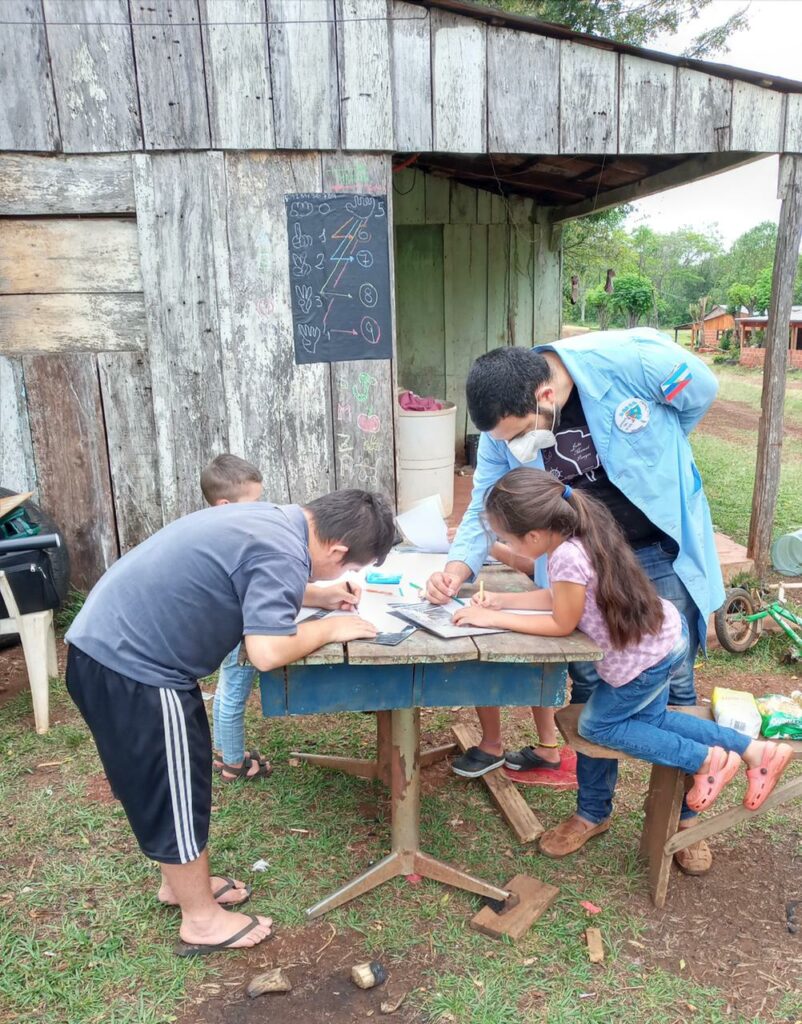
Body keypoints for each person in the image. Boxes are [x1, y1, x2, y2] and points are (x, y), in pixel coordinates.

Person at [426, 330, 723, 872]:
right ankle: (591, 812)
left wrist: (662, 452)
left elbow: (699, 391)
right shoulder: (505, 427)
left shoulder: (631, 361)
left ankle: (686, 819)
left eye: (518, 436)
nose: (512, 449)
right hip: (580, 563)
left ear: (544, 397)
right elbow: (484, 504)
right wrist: (457, 566)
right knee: (590, 682)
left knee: (675, 679)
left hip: (656, 551)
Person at [65, 489, 395, 955]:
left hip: (105, 650)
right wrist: (329, 626)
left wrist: (316, 593)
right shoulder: (284, 551)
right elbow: (266, 652)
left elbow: (248, 577)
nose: (345, 575)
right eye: (348, 568)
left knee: (169, 782)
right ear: (338, 549)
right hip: (136, 670)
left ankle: (180, 887)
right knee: (174, 788)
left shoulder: (277, 522)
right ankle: (201, 920)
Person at [453, 468, 792, 837]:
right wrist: (502, 602)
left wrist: (493, 619)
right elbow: (561, 598)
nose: (509, 548)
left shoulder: (564, 556)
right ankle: (756, 752)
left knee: (597, 725)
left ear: (533, 534)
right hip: (665, 636)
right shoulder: (579, 534)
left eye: (508, 541)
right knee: (654, 721)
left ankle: (706, 761)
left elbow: (561, 623)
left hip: (645, 660)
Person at [201, 455, 361, 782]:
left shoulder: (232, 533)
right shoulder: (244, 539)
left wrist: (323, 595)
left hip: (233, 620)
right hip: (237, 627)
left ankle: (223, 751)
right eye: (255, 502)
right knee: (233, 690)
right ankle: (233, 763)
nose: (262, 509)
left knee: (227, 688)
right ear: (225, 505)